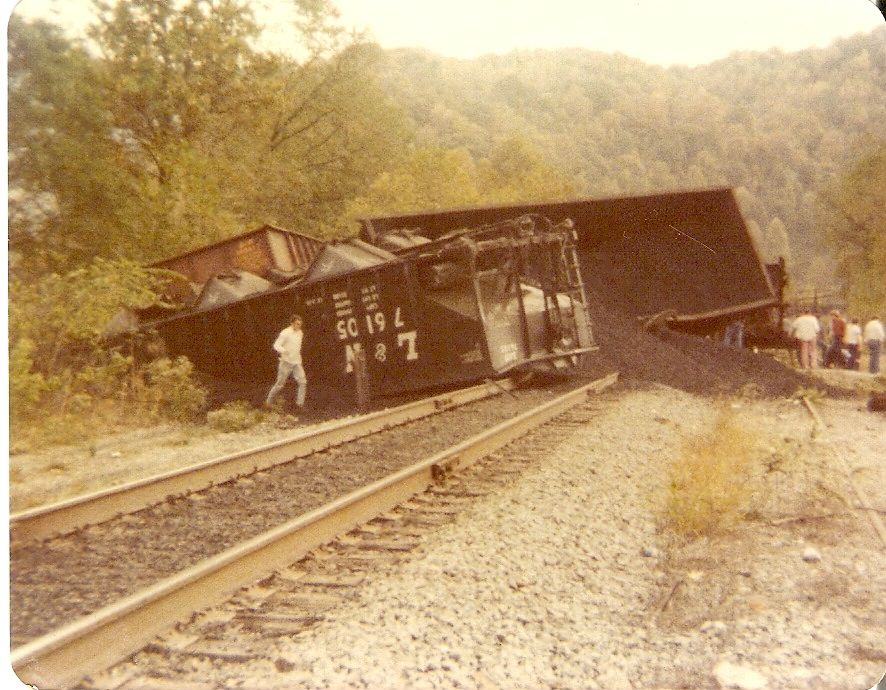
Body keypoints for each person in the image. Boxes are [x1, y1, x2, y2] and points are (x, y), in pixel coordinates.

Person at [264, 314, 307, 410]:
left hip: (296, 362)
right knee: (280, 385)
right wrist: (284, 351)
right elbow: (276, 345)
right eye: (297, 324)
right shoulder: (285, 333)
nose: (299, 326)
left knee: (303, 382)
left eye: (300, 324)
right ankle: (268, 402)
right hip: (286, 362)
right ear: (292, 323)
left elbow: (297, 347)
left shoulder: (300, 333)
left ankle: (300, 404)